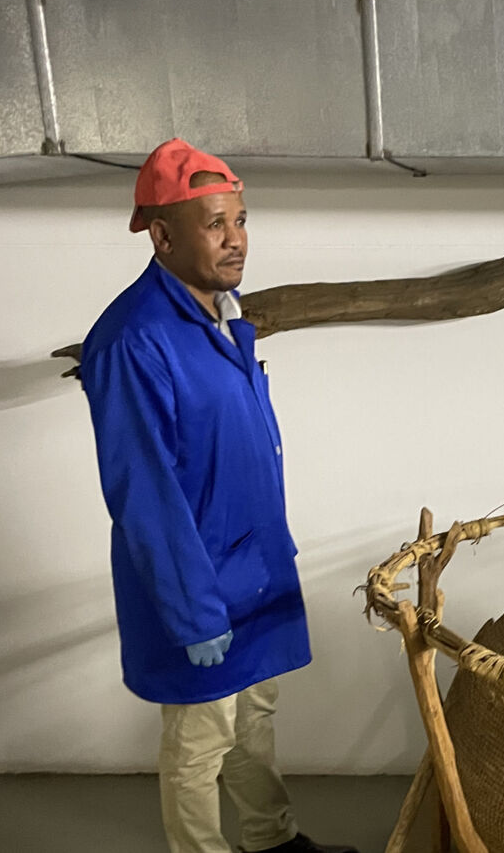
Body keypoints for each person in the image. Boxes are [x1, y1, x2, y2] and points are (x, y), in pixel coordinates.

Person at [79, 138, 357, 853]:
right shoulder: (134, 339)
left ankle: (270, 841)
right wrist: (193, 612)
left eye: (240, 220)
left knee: (252, 721)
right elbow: (144, 493)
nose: (235, 239)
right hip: (197, 582)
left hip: (252, 569)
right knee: (201, 741)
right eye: (214, 224)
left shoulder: (220, 316)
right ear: (163, 236)